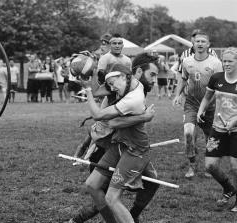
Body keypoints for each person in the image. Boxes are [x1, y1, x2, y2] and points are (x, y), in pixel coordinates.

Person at [67, 53, 159, 223]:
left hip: (134, 150)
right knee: (92, 185)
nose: (111, 88)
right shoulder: (124, 83)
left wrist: (87, 89)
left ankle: (132, 215)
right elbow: (103, 92)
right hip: (118, 145)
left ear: (125, 77)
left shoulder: (134, 97)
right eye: (152, 74)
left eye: (113, 84)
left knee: (113, 197)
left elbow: (104, 118)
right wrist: (94, 72)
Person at [173, 30, 223, 178]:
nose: (200, 44)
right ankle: (192, 166)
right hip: (191, 104)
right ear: (193, 44)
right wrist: (177, 95)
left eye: (203, 41)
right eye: (197, 41)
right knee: (188, 134)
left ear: (208, 44)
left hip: (210, 106)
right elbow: (183, 79)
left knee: (210, 138)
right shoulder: (187, 61)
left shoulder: (216, 63)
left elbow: (220, 86)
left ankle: (209, 167)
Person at [197, 47, 237, 212]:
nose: (226, 64)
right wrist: (201, 110)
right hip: (218, 129)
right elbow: (207, 97)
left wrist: (235, 120)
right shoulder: (216, 78)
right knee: (210, 166)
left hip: (235, 131)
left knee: (235, 168)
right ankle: (228, 188)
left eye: (230, 61)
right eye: (224, 60)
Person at [93, 33, 132, 98]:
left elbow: (130, 77)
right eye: (114, 43)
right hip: (109, 93)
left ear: (122, 45)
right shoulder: (105, 58)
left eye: (119, 43)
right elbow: (100, 78)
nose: (117, 46)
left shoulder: (127, 60)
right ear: (110, 45)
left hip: (125, 93)